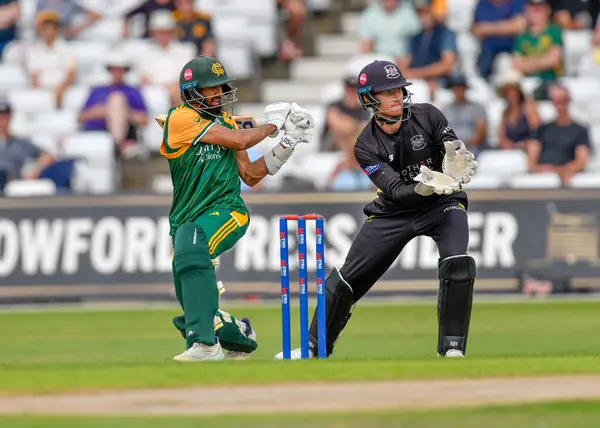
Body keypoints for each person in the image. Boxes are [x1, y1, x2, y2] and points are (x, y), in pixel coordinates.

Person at [274, 60, 478, 360]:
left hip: (443, 203)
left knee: (457, 262)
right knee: (346, 280)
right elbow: (395, 190)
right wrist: (424, 186)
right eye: (388, 92)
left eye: (399, 89)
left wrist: (454, 158)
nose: (397, 96)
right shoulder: (365, 145)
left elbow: (452, 149)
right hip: (393, 212)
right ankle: (313, 348)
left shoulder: (429, 115)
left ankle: (452, 347)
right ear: (369, 98)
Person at [157, 56, 314, 361]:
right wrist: (273, 126)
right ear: (191, 93)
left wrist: (289, 142)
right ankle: (239, 335)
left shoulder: (225, 122)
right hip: (185, 217)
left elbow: (251, 175)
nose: (218, 95)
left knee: (193, 247)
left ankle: (205, 345)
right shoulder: (180, 119)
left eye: (220, 88)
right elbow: (239, 138)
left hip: (228, 210)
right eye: (209, 90)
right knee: (194, 302)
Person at [78, 52, 149, 160]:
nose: (117, 72)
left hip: (126, 131)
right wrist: (101, 111)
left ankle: (116, 144)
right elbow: (80, 118)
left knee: (117, 100)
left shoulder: (133, 92)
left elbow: (144, 119)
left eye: (120, 69)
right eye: (114, 69)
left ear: (125, 71)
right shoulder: (97, 91)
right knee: (116, 101)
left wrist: (123, 112)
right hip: (96, 131)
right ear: (109, 70)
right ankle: (117, 145)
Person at [526, 84, 590, 185]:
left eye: (562, 101)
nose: (560, 106)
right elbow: (532, 158)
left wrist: (559, 171)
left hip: (566, 175)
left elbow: (581, 161)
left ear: (568, 101)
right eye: (556, 102)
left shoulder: (580, 130)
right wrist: (541, 169)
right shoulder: (541, 129)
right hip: (542, 177)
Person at [0, 99, 56, 192]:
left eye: (5, 116)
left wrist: (35, 171)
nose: (2, 120)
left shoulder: (20, 144)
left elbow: (48, 156)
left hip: (10, 183)